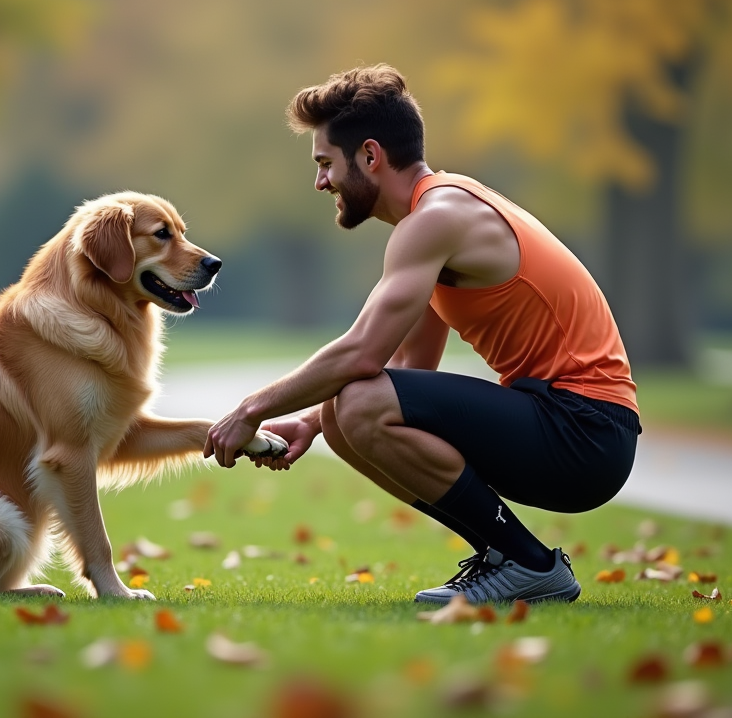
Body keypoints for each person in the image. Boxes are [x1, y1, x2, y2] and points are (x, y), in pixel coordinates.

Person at [203, 64, 641, 606]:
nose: (320, 183)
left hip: (586, 432)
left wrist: (251, 409)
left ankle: (528, 563)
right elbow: (411, 370)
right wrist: (313, 422)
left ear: (370, 156)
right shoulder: (438, 216)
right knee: (346, 415)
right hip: (574, 426)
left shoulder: (437, 219)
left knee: (357, 401)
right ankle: (508, 558)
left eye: (325, 164)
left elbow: (362, 352)